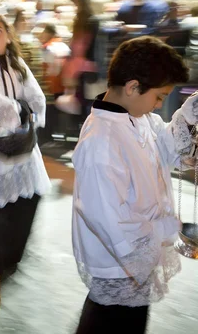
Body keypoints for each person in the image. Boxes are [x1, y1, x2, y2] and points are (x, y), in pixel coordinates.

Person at [72, 36, 195, 334]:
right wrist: (164, 229)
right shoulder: (101, 142)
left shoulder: (138, 117)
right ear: (132, 87)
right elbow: (108, 219)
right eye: (159, 96)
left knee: (127, 321)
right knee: (109, 322)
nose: (159, 105)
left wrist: (190, 113)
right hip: (119, 262)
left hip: (136, 257)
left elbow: (164, 148)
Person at [0, 14, 51, 278]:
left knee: (27, 200)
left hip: (24, 145)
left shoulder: (17, 63)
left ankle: (13, 257)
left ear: (8, 35)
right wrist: (22, 110)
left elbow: (35, 95)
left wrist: (28, 112)